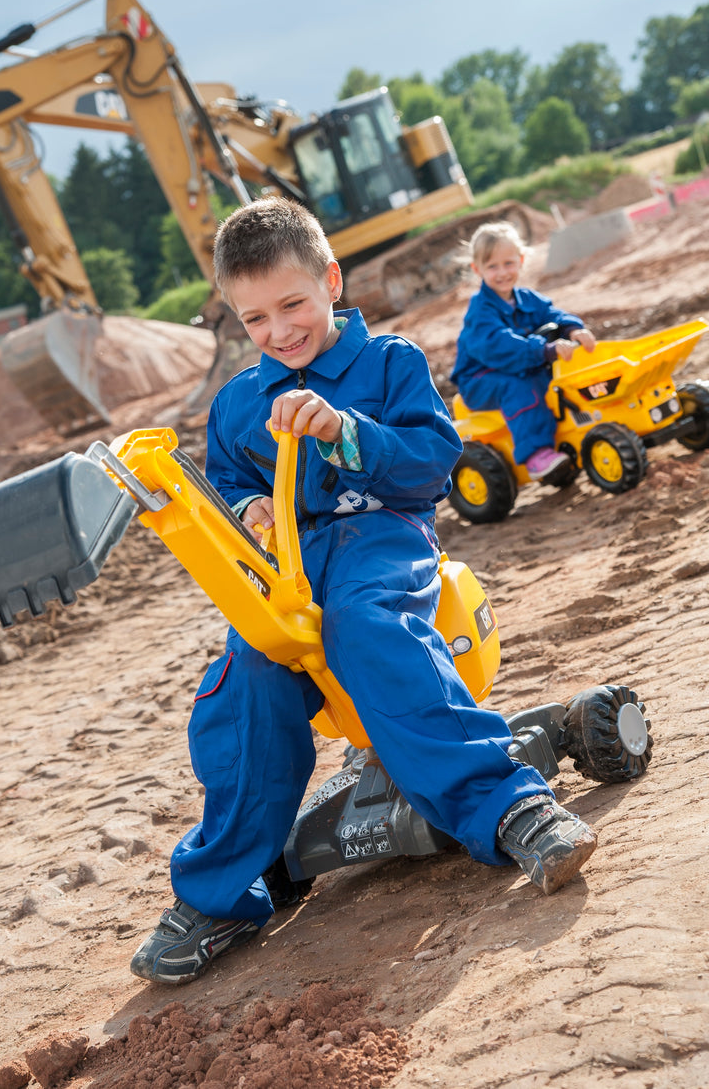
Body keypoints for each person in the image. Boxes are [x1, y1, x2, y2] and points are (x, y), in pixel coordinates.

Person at [130, 199, 597, 986]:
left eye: (292, 305)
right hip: (297, 562)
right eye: (255, 319)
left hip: (381, 538)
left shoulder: (389, 364)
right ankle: (220, 892)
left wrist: (345, 430)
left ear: (331, 281)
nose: (279, 332)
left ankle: (509, 805)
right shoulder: (238, 401)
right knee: (245, 677)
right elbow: (237, 481)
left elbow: (431, 462)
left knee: (364, 621)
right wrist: (248, 512)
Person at [451, 221, 596, 482]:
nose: (502, 272)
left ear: (521, 260)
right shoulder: (480, 310)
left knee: (559, 378)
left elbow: (553, 314)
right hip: (480, 379)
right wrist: (544, 349)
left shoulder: (528, 298)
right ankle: (536, 455)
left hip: (521, 364)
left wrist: (573, 329)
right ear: (477, 269)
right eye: (492, 266)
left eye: (508, 263)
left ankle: (570, 433)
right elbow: (499, 345)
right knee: (519, 385)